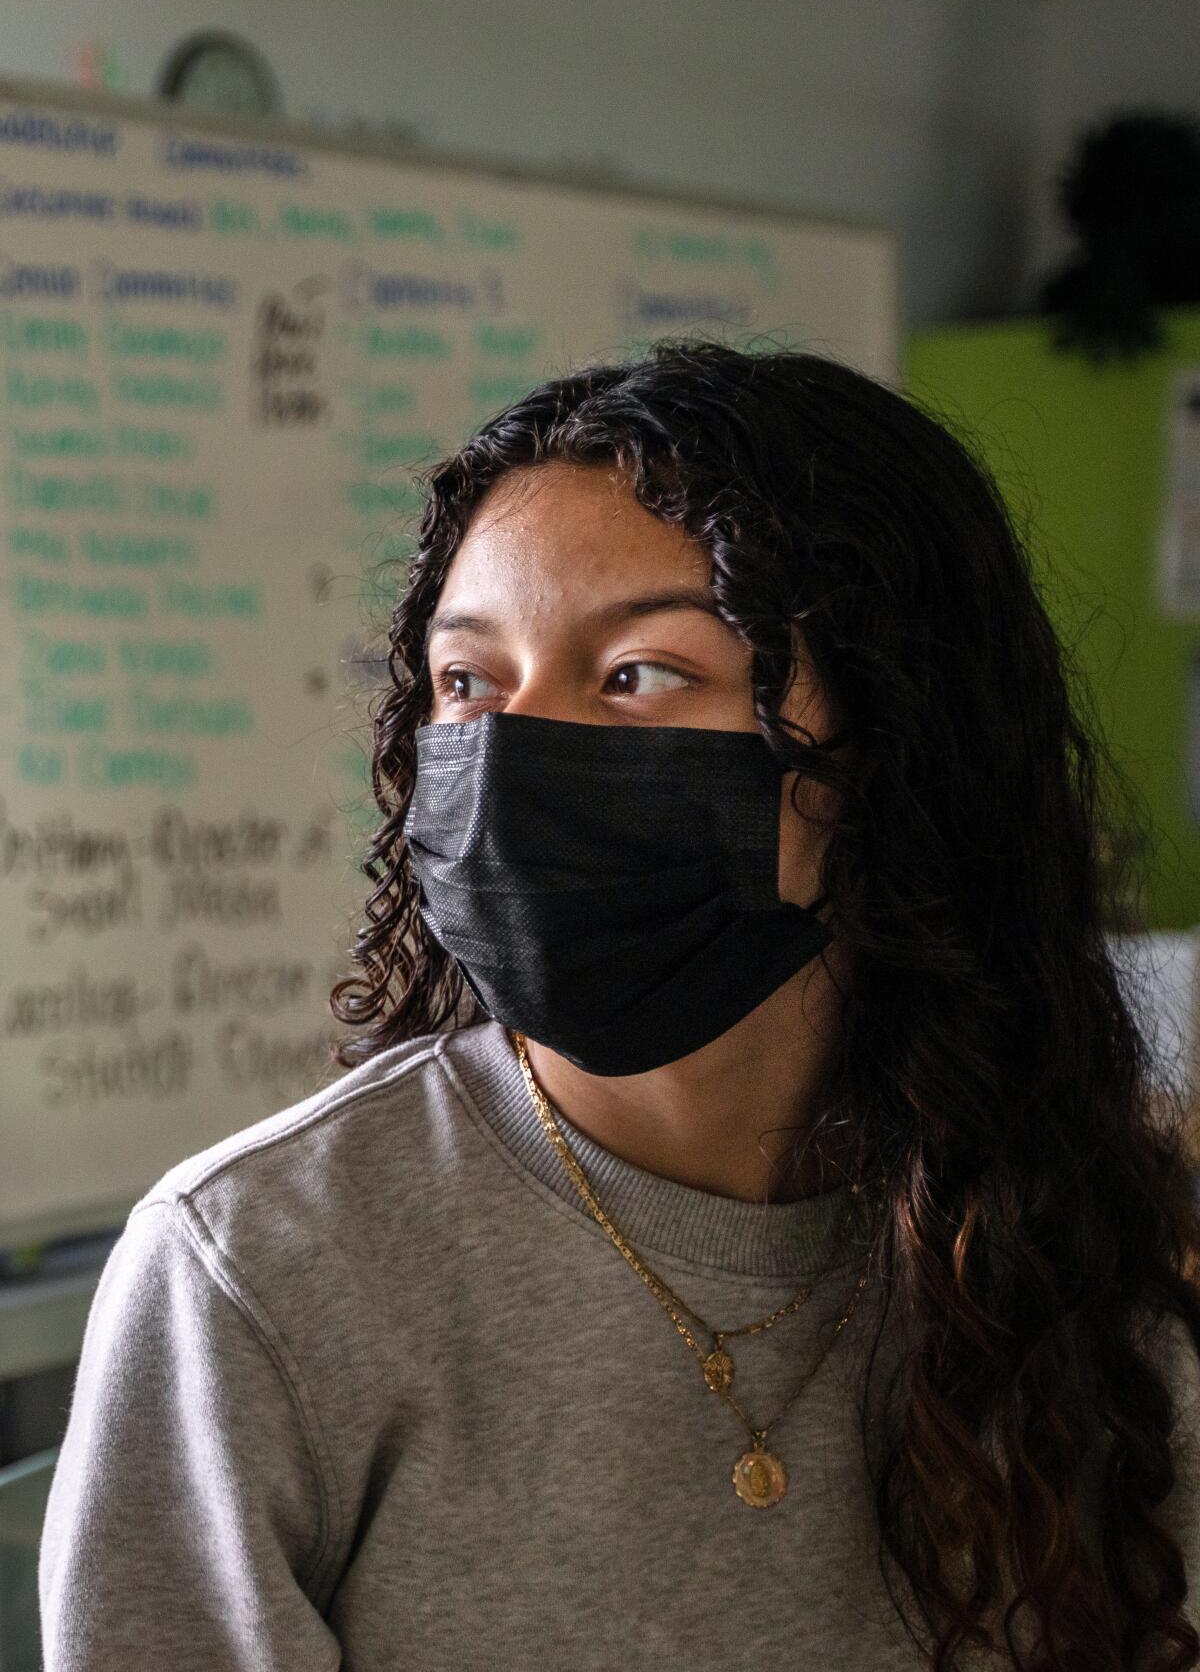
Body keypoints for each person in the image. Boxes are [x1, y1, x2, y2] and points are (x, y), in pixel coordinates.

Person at [39, 339, 1200, 1670]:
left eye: (640, 675)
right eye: (470, 684)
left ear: (893, 746)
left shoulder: (1064, 1255)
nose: (518, 755)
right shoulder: (259, 1273)